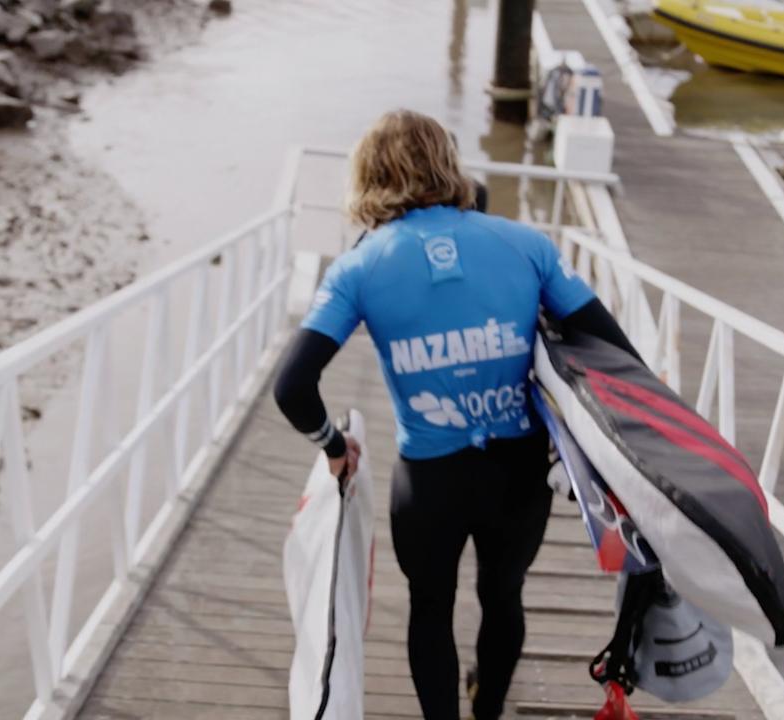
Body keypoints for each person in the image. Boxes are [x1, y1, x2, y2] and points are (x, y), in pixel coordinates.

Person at [272, 110, 638, 720]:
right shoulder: (525, 245)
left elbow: (292, 386)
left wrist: (333, 443)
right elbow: (616, 354)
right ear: (448, 163)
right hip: (519, 476)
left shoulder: (359, 268)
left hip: (429, 483)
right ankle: (487, 710)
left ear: (370, 174)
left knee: (430, 608)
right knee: (503, 597)